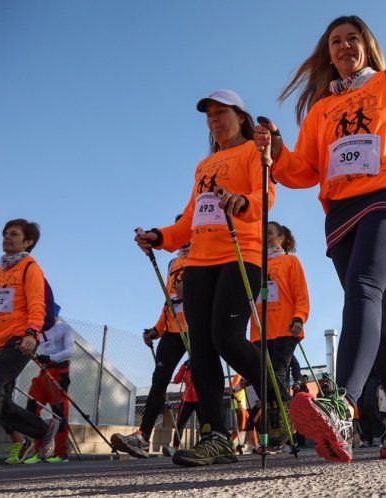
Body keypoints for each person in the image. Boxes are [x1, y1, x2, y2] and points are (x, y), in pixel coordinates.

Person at [255, 15, 386, 462]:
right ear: (329, 54)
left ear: (367, 44)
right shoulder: (322, 108)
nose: (344, 46)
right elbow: (303, 170)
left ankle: (340, 403)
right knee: (378, 313)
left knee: (363, 286)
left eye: (352, 38)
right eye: (336, 42)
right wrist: (276, 152)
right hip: (341, 214)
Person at [135, 89, 284, 467]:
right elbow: (190, 219)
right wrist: (162, 237)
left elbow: (265, 193)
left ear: (241, 117)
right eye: (209, 116)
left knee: (228, 338)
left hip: (241, 253)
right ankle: (216, 436)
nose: (215, 120)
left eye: (222, 113)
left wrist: (243, 201)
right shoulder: (204, 166)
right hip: (199, 261)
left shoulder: (253, 150)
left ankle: (280, 397)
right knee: (200, 347)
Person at [0, 219, 59, 470]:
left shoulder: (30, 268)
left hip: (18, 340)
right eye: (5, 233)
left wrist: (31, 333)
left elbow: (37, 303)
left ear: (27, 241)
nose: (7, 237)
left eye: (14, 234)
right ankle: (43, 428)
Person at [112, 236, 190, 459]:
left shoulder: (206, 255)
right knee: (159, 380)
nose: (185, 242)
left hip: (197, 327)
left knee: (202, 380)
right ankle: (142, 437)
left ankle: (212, 435)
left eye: (189, 235)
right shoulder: (173, 264)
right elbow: (169, 300)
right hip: (173, 330)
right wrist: (157, 329)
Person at [250, 221, 310, 388]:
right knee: (259, 377)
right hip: (259, 330)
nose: (265, 237)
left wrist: (299, 318)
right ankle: (269, 412)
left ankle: (281, 411)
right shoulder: (253, 264)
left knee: (277, 374)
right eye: (262, 233)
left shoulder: (290, 261)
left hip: (285, 327)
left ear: (281, 238)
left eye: (269, 233)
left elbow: (301, 294)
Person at [22, 309, 74, 463]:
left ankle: (60, 453)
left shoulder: (65, 328)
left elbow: (69, 351)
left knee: (59, 413)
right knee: (31, 409)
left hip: (59, 371)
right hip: (43, 372)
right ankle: (39, 451)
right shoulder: (40, 330)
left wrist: (50, 357)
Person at [162, 360, 201, 456]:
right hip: (186, 399)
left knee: (204, 423)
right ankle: (175, 448)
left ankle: (204, 446)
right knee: (179, 424)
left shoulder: (202, 365)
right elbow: (176, 380)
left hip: (199, 398)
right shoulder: (186, 369)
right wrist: (184, 366)